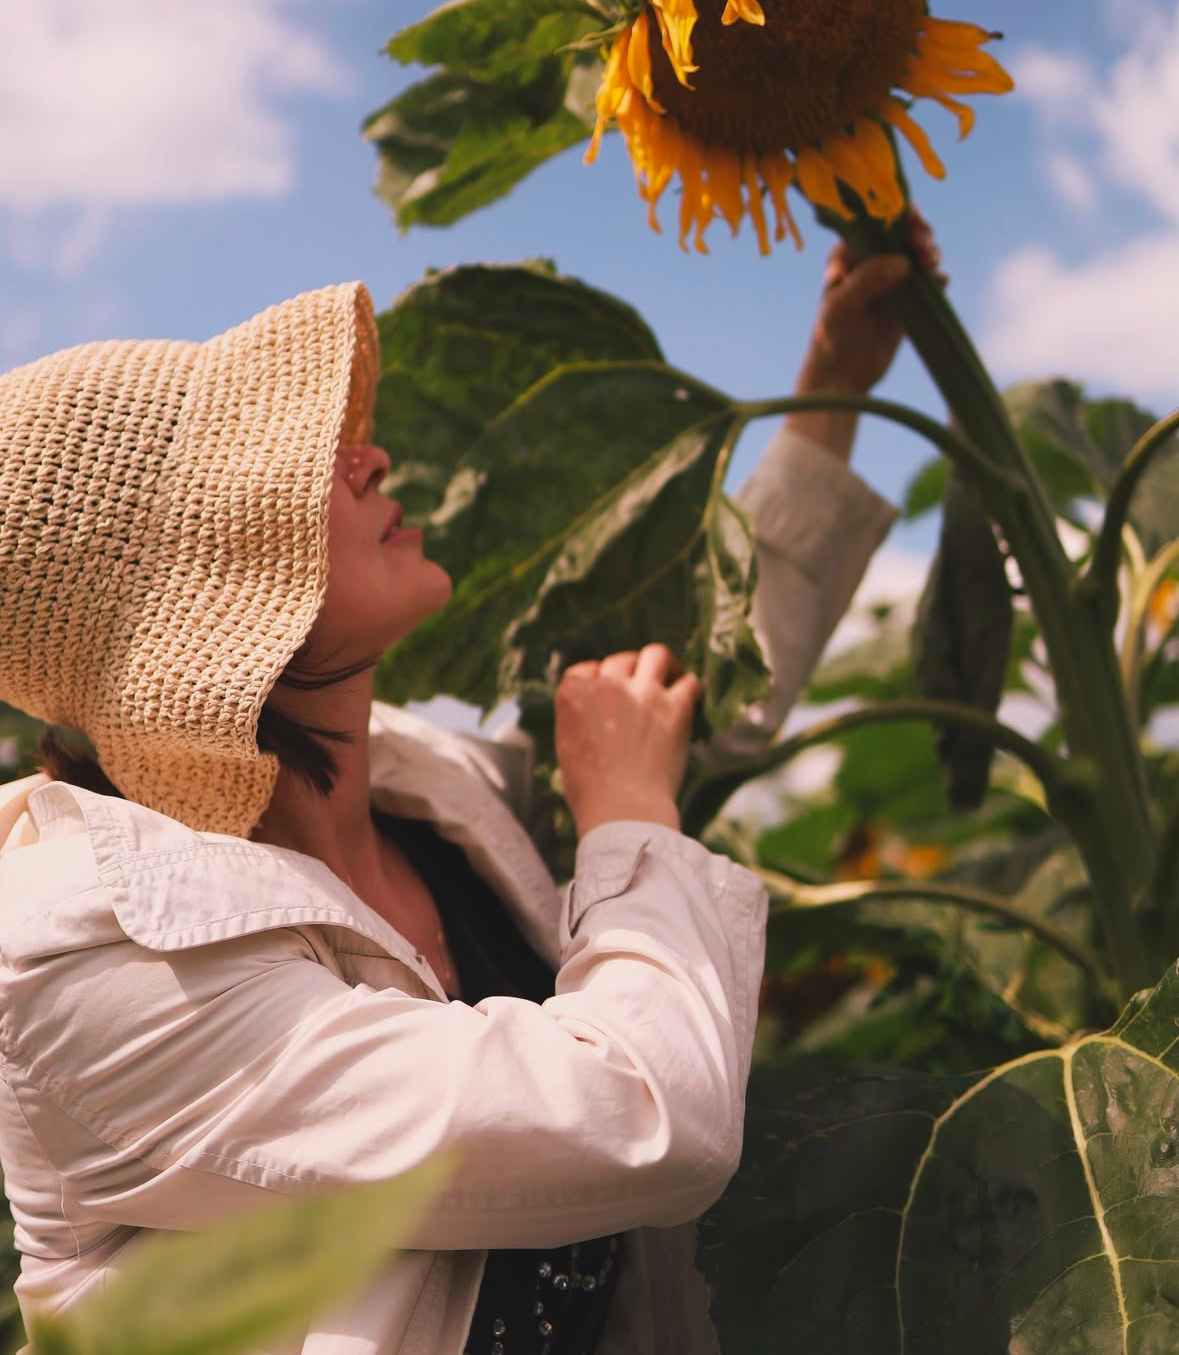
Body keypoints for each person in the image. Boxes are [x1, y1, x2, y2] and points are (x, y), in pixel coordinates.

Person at [0, 222, 937, 1355]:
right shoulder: (90, 959)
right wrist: (627, 816)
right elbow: (649, 1117)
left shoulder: (418, 789)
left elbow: (687, 700)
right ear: (205, 588)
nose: (371, 457)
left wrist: (831, 386)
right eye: (293, 461)